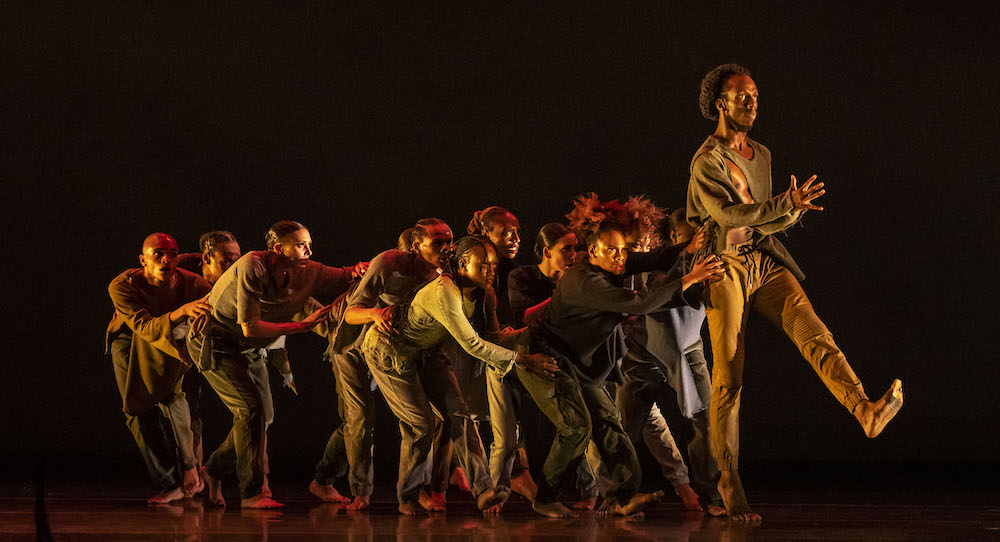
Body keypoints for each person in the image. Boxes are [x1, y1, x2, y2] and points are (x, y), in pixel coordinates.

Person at [686, 63, 903, 521]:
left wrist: (793, 210)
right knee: (729, 373)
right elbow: (728, 217)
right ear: (720, 104)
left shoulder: (761, 154)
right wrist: (785, 206)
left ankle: (864, 408)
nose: (752, 102)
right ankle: (728, 477)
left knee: (815, 334)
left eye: (756, 95)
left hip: (763, 261)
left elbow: (763, 221)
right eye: (742, 95)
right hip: (721, 265)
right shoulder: (705, 161)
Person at [519, 198, 724, 518]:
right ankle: (546, 495)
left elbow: (648, 258)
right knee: (577, 428)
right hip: (549, 360)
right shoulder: (585, 281)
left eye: (623, 250)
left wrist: (686, 248)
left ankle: (620, 498)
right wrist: (689, 278)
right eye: (612, 250)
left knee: (611, 426)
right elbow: (641, 302)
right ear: (593, 250)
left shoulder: (611, 262)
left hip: (581, 365)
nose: (621, 257)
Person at [360, 236, 558, 515]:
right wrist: (524, 360)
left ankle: (484, 490)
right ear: (463, 264)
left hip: (428, 351)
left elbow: (493, 337)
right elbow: (473, 345)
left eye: (493, 264)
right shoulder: (445, 291)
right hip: (391, 352)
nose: (491, 270)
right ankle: (408, 496)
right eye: (484, 264)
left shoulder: (484, 293)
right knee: (421, 425)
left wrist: (530, 332)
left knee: (460, 416)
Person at [186, 221, 359, 508]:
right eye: (301, 245)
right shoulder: (253, 265)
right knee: (250, 409)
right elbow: (250, 328)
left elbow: (346, 276)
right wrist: (301, 326)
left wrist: (363, 269)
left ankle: (214, 470)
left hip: (251, 348)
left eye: (309, 244)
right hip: (218, 343)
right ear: (279, 249)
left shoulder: (308, 269)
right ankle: (252, 493)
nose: (309, 250)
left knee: (262, 417)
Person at [312, 218, 454, 511]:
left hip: (389, 348)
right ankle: (359, 490)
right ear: (412, 251)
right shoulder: (390, 263)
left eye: (447, 243)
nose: (444, 249)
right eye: (436, 244)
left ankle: (417, 487)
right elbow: (353, 313)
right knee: (360, 417)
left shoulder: (439, 272)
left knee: (424, 419)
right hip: (352, 345)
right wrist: (376, 313)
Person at [614, 197, 723, 515]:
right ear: (672, 238)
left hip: (688, 347)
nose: (690, 243)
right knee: (625, 424)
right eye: (683, 237)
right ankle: (618, 494)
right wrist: (689, 263)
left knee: (704, 420)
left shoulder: (705, 261)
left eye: (695, 237)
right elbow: (658, 291)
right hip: (645, 352)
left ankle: (713, 494)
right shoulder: (663, 264)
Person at [106, 233, 212, 504]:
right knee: (137, 407)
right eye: (157, 254)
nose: (167, 259)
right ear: (142, 260)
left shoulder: (194, 282)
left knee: (179, 399)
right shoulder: (122, 285)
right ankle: (169, 482)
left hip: (174, 336)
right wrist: (182, 311)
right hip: (131, 338)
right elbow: (143, 327)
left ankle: (191, 469)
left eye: (173, 253)